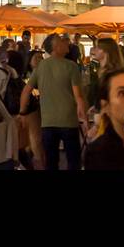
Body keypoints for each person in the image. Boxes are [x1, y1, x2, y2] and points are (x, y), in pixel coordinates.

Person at [19, 34, 87, 171]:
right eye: (62, 41)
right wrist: (84, 119)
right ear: (56, 47)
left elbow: (26, 91)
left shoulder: (41, 67)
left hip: (48, 123)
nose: (66, 42)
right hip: (69, 121)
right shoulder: (71, 66)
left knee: (51, 162)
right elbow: (78, 96)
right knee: (73, 161)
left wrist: (22, 112)